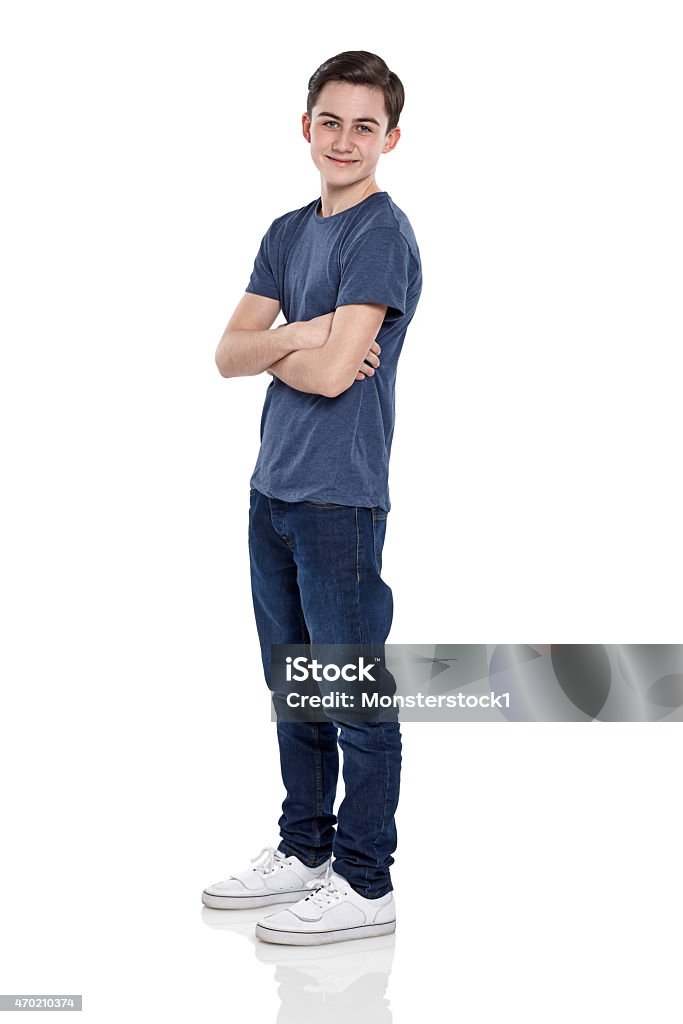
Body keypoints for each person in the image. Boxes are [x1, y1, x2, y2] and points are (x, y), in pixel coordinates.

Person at [203, 50, 423, 946]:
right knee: (291, 687)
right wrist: (314, 329)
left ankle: (366, 883)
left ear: (390, 138)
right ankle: (306, 850)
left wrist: (289, 345)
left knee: (351, 692)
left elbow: (336, 377)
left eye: (363, 125)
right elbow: (225, 352)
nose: (344, 139)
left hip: (339, 500)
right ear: (305, 127)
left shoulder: (382, 234)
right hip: (272, 490)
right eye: (329, 121)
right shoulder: (288, 232)